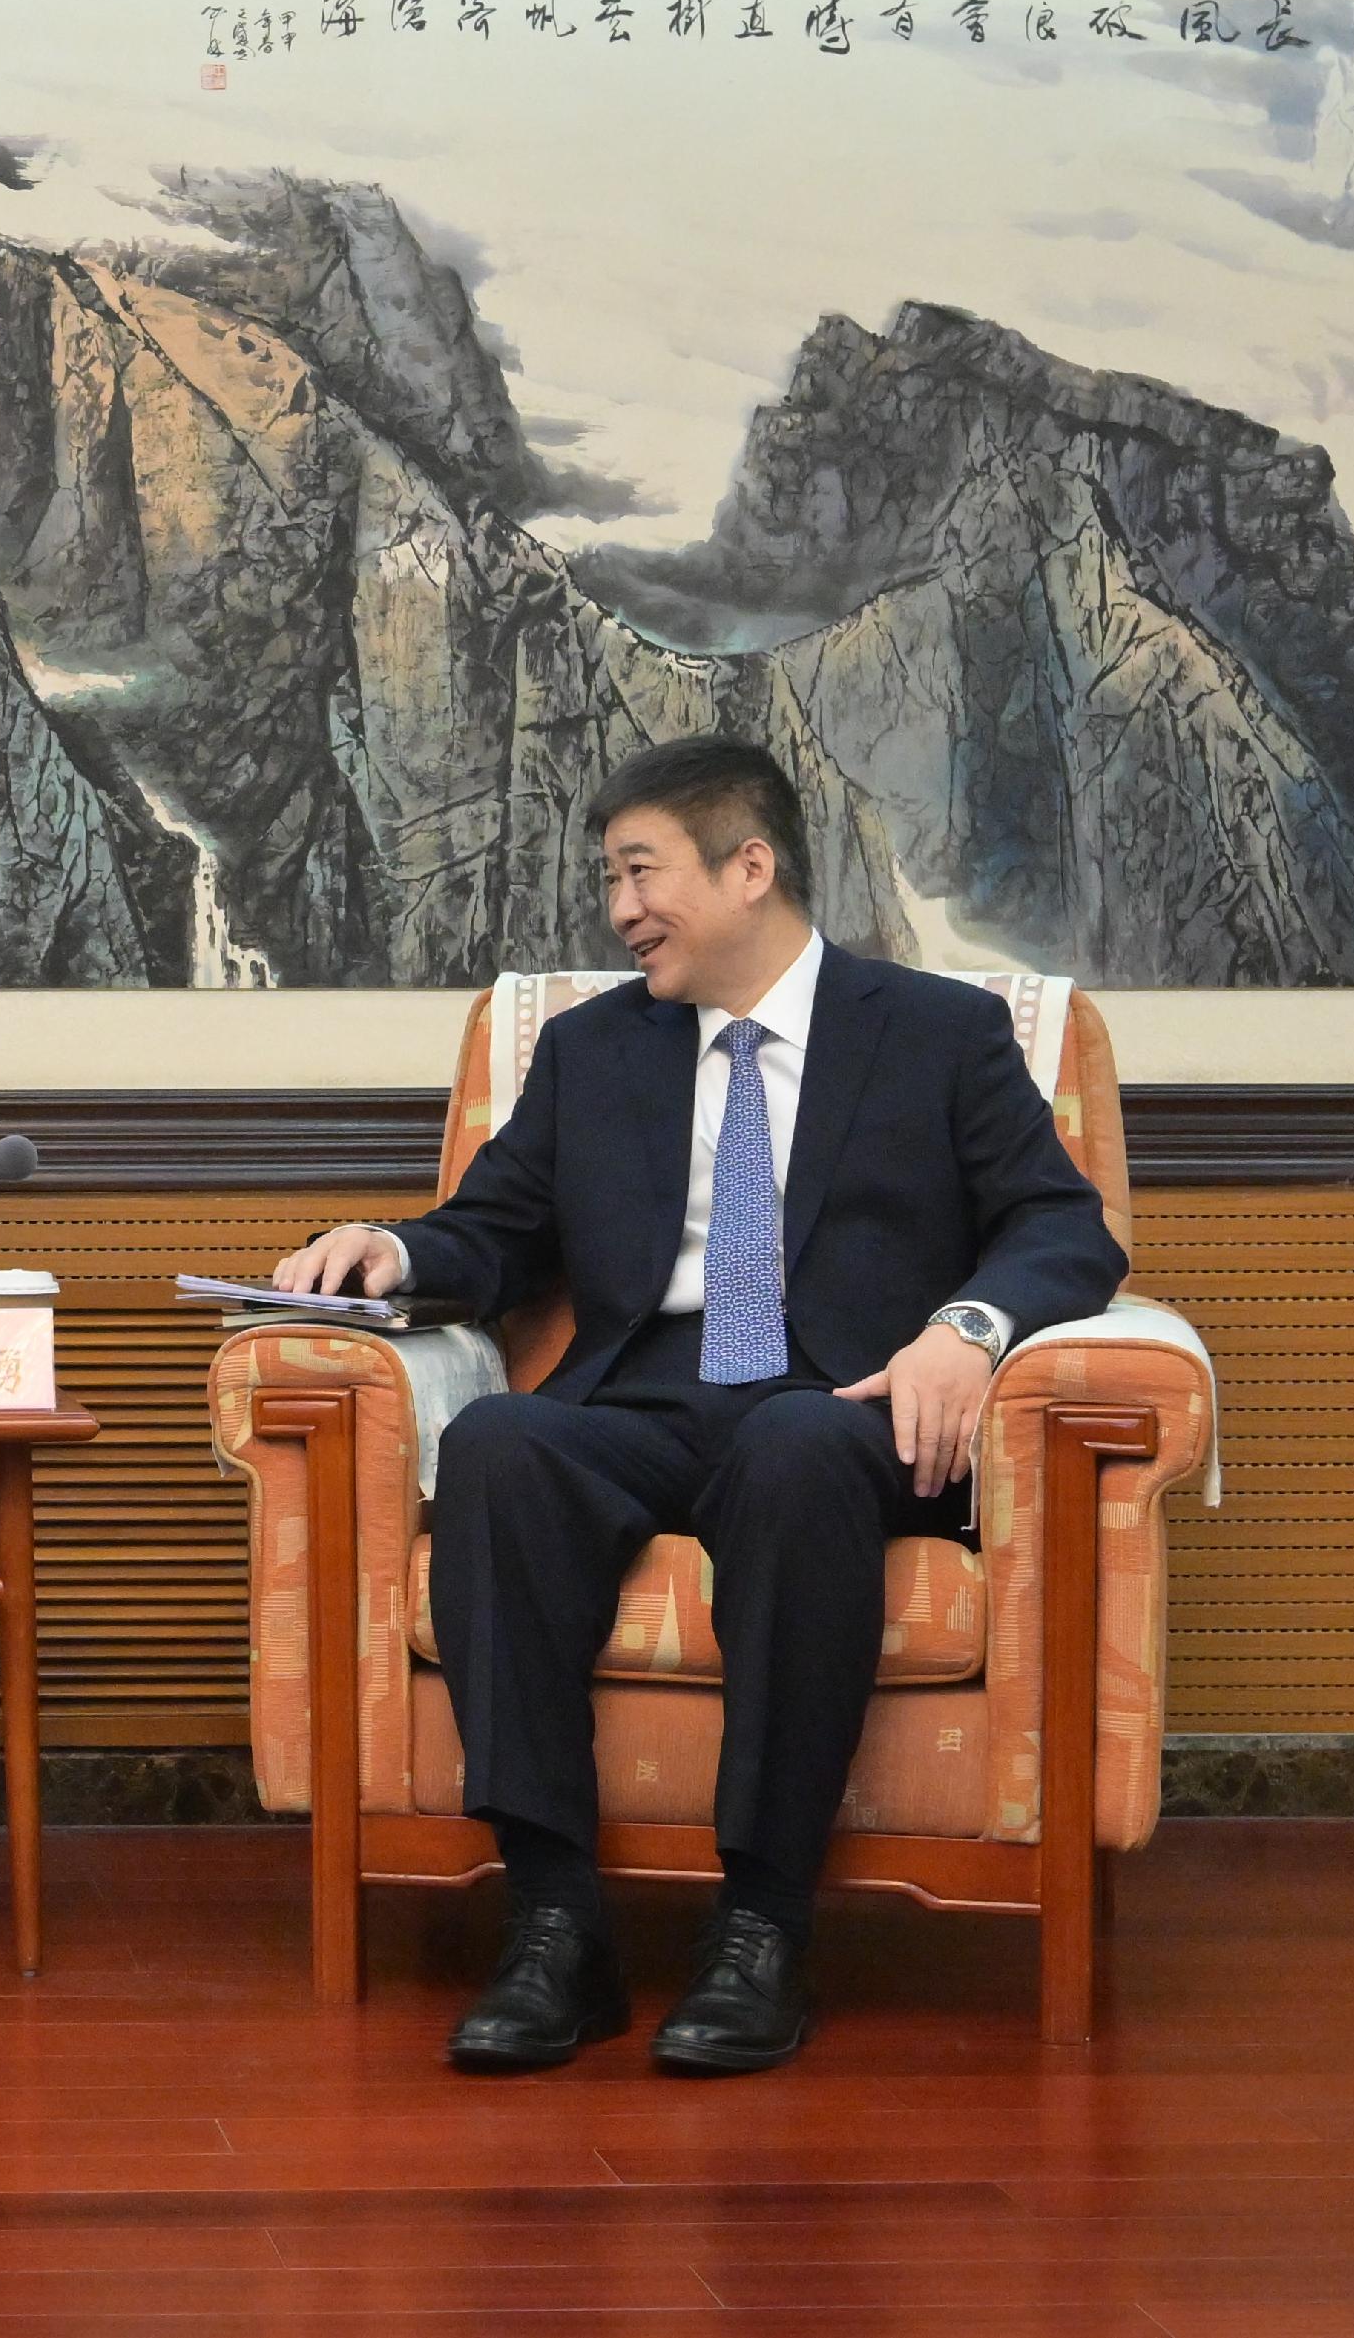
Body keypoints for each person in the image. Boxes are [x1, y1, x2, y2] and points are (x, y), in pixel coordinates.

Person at [270, 737, 1121, 2076]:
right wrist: (396, 1248)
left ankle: (763, 1925)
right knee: (500, 1443)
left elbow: (1065, 1232)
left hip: (835, 1400)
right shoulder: (595, 1046)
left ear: (750, 866)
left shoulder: (936, 1035)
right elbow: (495, 1229)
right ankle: (557, 1922)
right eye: (611, 880)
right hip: (646, 1392)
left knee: (792, 1446)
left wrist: (965, 1330)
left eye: (639, 871)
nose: (620, 911)